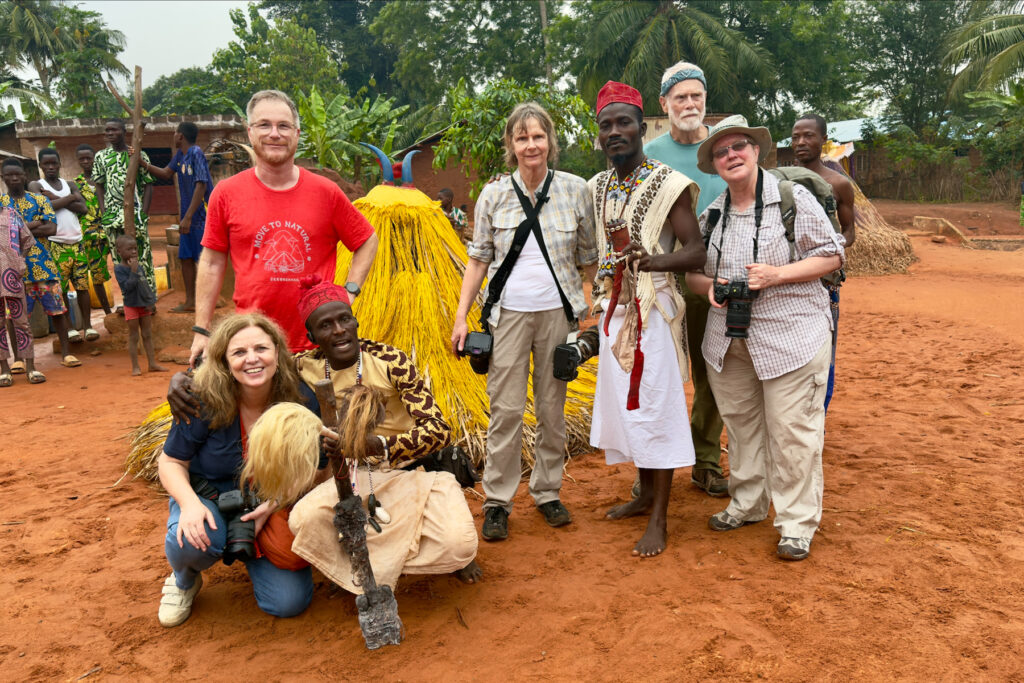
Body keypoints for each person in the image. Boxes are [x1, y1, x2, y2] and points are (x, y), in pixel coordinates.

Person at [167, 278, 482, 588]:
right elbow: (250, 365)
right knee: (304, 519)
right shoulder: (302, 367)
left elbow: (439, 430)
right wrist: (184, 379)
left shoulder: (390, 361)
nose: (339, 330)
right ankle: (371, 563)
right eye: (326, 325)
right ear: (311, 335)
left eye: (345, 319)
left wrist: (378, 445)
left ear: (355, 321)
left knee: (457, 542)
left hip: (404, 468)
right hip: (343, 474)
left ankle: (430, 552)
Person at [685, 116, 845, 561]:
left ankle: (796, 523)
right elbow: (692, 272)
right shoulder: (713, 213)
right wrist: (711, 288)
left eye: (739, 146)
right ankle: (748, 502)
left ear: (756, 152)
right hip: (728, 340)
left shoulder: (793, 202)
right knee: (741, 426)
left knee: (793, 432)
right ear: (714, 164)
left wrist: (776, 275)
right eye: (721, 151)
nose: (731, 155)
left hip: (791, 335)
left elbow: (832, 254)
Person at [451, 102, 598, 541]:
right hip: (508, 316)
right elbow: (478, 261)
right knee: (506, 410)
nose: (531, 145)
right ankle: (497, 500)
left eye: (538, 136)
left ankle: (547, 490)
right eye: (522, 138)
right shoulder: (494, 195)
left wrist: (594, 310)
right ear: (511, 146)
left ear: (551, 142)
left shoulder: (575, 190)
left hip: (558, 314)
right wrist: (462, 317)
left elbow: (589, 259)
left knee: (552, 409)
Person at [588, 82, 706, 557]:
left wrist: (655, 262)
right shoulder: (598, 187)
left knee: (655, 408)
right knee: (630, 408)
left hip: (652, 314)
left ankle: (660, 518)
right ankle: (644, 496)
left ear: (641, 126)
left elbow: (696, 250)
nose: (615, 132)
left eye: (623, 122)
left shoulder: (669, 184)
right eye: (606, 125)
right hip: (612, 314)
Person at [157, 312, 325, 627]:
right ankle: (184, 579)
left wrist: (273, 506)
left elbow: (315, 468)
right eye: (239, 352)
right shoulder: (201, 398)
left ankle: (256, 552)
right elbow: (170, 461)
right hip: (209, 496)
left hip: (270, 500)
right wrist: (190, 505)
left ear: (277, 351)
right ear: (224, 359)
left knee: (288, 603)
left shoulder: (300, 399)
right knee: (193, 539)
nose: (252, 359)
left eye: (261, 349)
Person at [189, 89, 378, 363]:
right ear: (250, 132)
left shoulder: (326, 192)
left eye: (283, 126)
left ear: (297, 134)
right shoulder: (226, 193)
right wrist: (201, 330)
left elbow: (366, 239)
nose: (274, 134)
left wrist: (350, 292)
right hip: (254, 345)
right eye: (264, 125)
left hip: (317, 345)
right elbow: (212, 262)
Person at [642, 61, 729, 497]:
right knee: (661, 373)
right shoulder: (651, 154)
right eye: (681, 97)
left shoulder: (724, 149)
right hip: (665, 283)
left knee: (714, 370)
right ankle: (655, 469)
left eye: (696, 96)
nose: (689, 104)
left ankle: (706, 459)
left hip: (717, 280)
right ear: (665, 103)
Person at [791, 113, 856, 413]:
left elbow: (849, 232)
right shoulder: (779, 181)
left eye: (809, 136)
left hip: (823, 283)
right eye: (796, 137)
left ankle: (818, 415)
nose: (801, 142)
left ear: (823, 141)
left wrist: (825, 255)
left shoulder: (838, 184)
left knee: (823, 351)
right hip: (786, 281)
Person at [1, 158, 79, 370]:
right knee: (14, 318)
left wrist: (16, 229)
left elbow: (52, 229)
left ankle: (66, 354)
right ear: (3, 177)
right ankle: (18, 360)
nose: (14, 178)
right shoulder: (1, 204)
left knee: (57, 310)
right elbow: (4, 236)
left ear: (25, 176)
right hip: (14, 271)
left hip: (43, 266)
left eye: (18, 174)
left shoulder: (39, 200)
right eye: (9, 175)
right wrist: (35, 224)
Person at [143, 121, 212, 313]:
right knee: (186, 258)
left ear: (180, 136)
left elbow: (201, 184)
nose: (173, 136)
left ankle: (208, 301)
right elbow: (165, 173)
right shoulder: (180, 156)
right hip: (188, 217)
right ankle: (191, 301)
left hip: (201, 216)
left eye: (174, 132)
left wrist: (188, 217)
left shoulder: (196, 153)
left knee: (202, 260)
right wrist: (143, 164)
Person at [29, 148, 95, 343]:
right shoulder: (35, 184)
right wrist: (70, 198)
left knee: (83, 287)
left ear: (59, 164)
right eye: (46, 164)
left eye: (54, 163)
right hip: (56, 244)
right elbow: (43, 207)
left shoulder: (70, 184)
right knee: (61, 289)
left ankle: (88, 326)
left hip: (77, 241)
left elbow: (83, 208)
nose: (50, 167)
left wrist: (54, 198)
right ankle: (70, 328)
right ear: (40, 165)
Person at [93, 118, 156, 292]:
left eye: (114, 130)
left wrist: (143, 213)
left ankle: (148, 298)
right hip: (112, 217)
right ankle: (129, 300)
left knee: (142, 256)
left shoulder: (138, 154)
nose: (110, 133)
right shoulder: (101, 156)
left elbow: (148, 184)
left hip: (135, 214)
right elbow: (99, 185)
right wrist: (104, 212)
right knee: (118, 258)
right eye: (107, 131)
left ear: (124, 132)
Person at [113, 235, 165, 376]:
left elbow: (144, 285)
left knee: (147, 334)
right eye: (129, 249)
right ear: (119, 252)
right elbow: (127, 288)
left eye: (135, 248)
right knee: (134, 336)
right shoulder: (119, 269)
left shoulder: (138, 266)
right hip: (131, 305)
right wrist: (134, 271)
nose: (134, 252)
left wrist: (150, 302)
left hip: (143, 305)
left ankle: (152, 363)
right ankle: (135, 366)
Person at [0, 208, 39, 386]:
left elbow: (27, 239)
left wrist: (19, 260)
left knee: (21, 321)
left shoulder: (12, 214)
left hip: (13, 276)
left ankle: (31, 367)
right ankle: (5, 370)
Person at [75, 144, 114, 316]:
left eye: (88, 158)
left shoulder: (106, 179)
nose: (85, 161)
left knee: (122, 265)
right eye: (82, 159)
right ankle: (108, 313)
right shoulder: (75, 185)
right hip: (90, 236)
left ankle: (129, 306)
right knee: (97, 274)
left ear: (94, 159)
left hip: (112, 228)